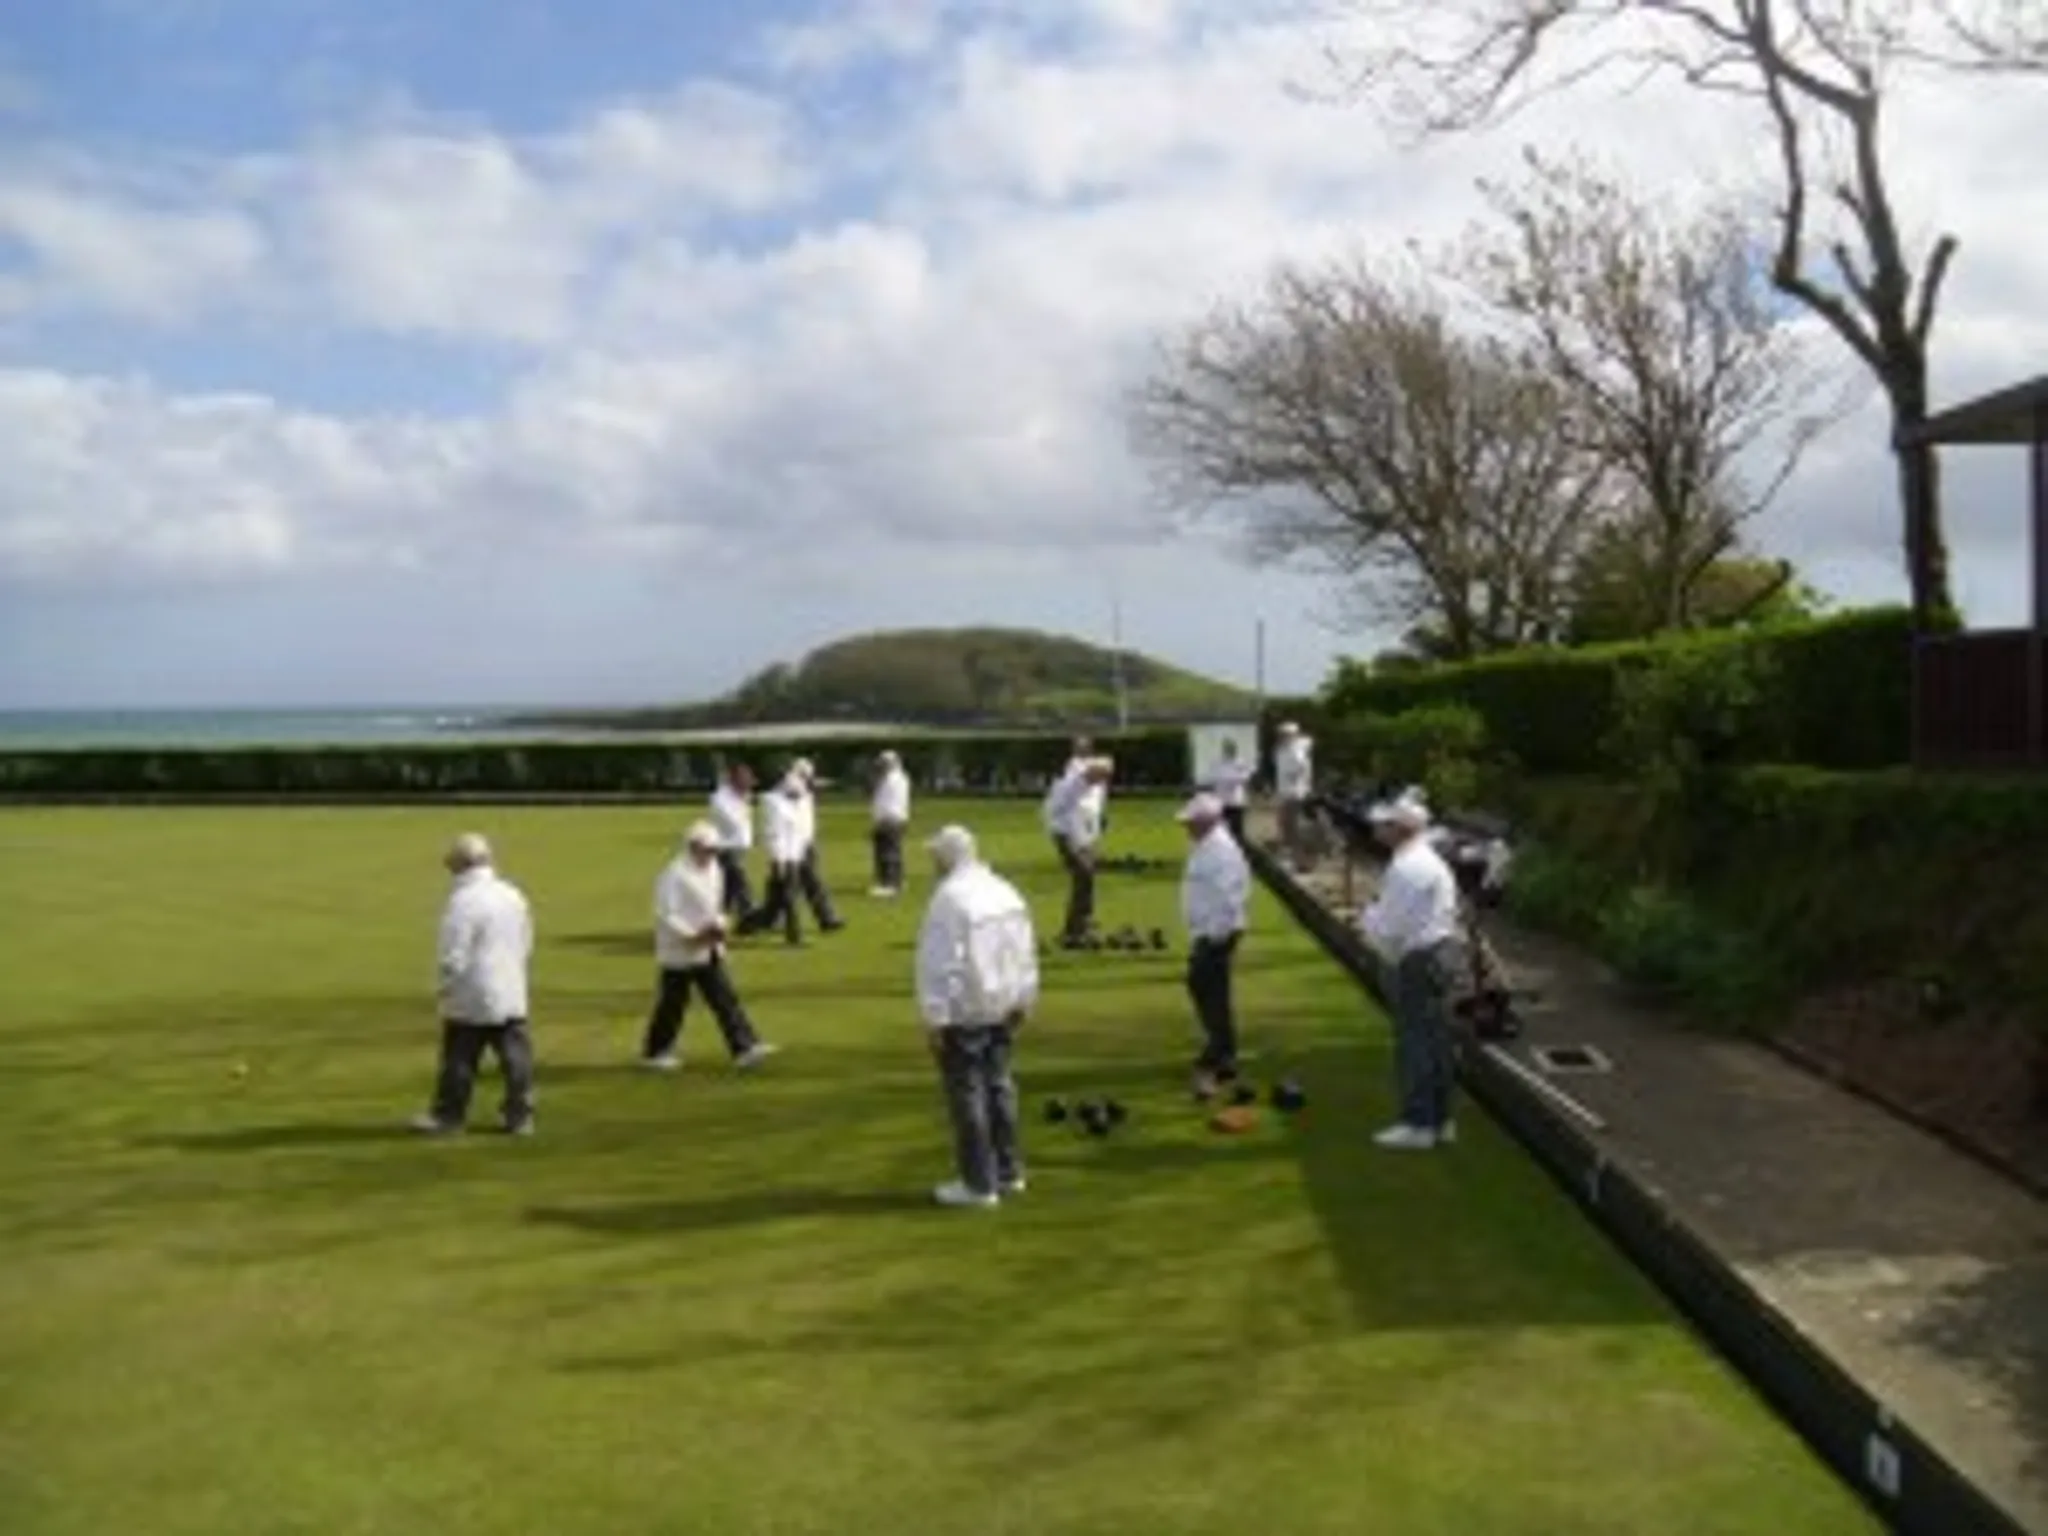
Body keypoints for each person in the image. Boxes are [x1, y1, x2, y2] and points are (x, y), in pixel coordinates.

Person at [915, 824, 1040, 1208]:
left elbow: (941, 963)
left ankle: (978, 1183)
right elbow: (1024, 951)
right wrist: (1024, 998)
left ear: (946, 857)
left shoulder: (949, 899)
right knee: (1000, 1088)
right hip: (1001, 1007)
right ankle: (1008, 1170)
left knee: (968, 1096)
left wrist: (935, 1017)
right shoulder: (1004, 890)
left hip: (965, 1010)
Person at [1357, 793, 1463, 1151]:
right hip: (1442, 951)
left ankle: (1419, 1124)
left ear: (1398, 829)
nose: (1376, 827)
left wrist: (1367, 915)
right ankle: (1441, 1120)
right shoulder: (1425, 859)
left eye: (1383, 823)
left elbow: (1389, 929)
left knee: (1415, 1040)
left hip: (1420, 957)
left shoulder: (1406, 868)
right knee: (1435, 1040)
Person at [413, 833, 536, 1136]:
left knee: (460, 1056)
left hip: (472, 991)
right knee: (516, 1057)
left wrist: (443, 987)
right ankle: (519, 1116)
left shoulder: (463, 902)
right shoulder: (512, 894)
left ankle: (449, 1116)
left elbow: (453, 952)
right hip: (510, 986)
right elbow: (526, 938)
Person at [642, 822, 778, 1071]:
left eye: (714, 850)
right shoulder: (673, 875)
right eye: (706, 850)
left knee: (724, 997)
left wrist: (719, 925)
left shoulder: (714, 868)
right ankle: (656, 1052)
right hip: (680, 951)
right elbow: (666, 914)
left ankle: (744, 1046)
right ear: (692, 847)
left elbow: (717, 904)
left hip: (709, 946)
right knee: (673, 1003)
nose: (711, 855)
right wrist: (692, 936)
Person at [1177, 792, 1252, 1100]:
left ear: (1207, 821)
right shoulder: (1206, 845)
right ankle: (1224, 1052)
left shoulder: (1221, 851)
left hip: (1217, 933)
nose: (1186, 827)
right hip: (1207, 932)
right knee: (1206, 987)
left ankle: (1218, 1052)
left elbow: (1228, 896)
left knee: (1206, 986)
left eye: (1191, 822)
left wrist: (1215, 934)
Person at [1042, 755, 1112, 945]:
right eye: (1100, 775)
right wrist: (1074, 842)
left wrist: (1093, 835)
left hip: (1083, 837)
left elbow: (1094, 811)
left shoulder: (1096, 787)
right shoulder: (1070, 786)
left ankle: (1082, 923)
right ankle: (1074, 928)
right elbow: (1056, 811)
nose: (1102, 780)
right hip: (1065, 835)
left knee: (1087, 877)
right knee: (1083, 874)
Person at [740, 775, 809, 945]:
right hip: (782, 857)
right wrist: (778, 860)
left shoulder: (797, 803)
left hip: (794, 855)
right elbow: (774, 835)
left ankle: (747, 924)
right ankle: (795, 936)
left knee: (775, 903)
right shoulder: (774, 805)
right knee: (789, 897)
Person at [788, 758, 845, 933]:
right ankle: (827, 918)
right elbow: (798, 790)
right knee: (809, 882)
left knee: (800, 884)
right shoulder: (792, 784)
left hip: (806, 841)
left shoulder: (803, 788)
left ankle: (826, 918)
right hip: (796, 844)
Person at [708, 762, 757, 920]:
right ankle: (748, 912)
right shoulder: (720, 798)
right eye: (744, 780)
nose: (748, 785)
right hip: (726, 846)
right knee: (738, 878)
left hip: (740, 845)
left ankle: (719, 914)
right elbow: (733, 822)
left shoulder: (742, 796)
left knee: (728, 885)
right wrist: (743, 801)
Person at [1272, 722, 1316, 869]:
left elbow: (1302, 768)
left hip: (1294, 794)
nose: (1281, 736)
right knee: (1285, 826)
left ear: (1292, 735)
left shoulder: (1296, 751)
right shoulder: (1283, 750)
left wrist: (1294, 778)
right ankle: (1294, 859)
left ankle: (1301, 861)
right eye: (1281, 734)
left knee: (1292, 828)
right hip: (1285, 793)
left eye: (1285, 734)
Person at [869, 749, 912, 897]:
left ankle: (889, 884)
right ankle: (897, 881)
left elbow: (887, 801)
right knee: (894, 851)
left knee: (887, 852)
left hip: (889, 819)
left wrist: (882, 820)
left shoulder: (891, 780)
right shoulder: (900, 778)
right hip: (896, 818)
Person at [1205, 736, 1254, 844]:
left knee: (1237, 830)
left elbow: (1245, 777)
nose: (1229, 751)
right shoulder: (1217, 763)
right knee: (1222, 830)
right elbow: (1212, 778)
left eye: (1231, 748)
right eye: (1227, 748)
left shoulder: (1240, 763)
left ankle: (1238, 853)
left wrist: (1230, 780)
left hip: (1236, 801)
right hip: (1221, 801)